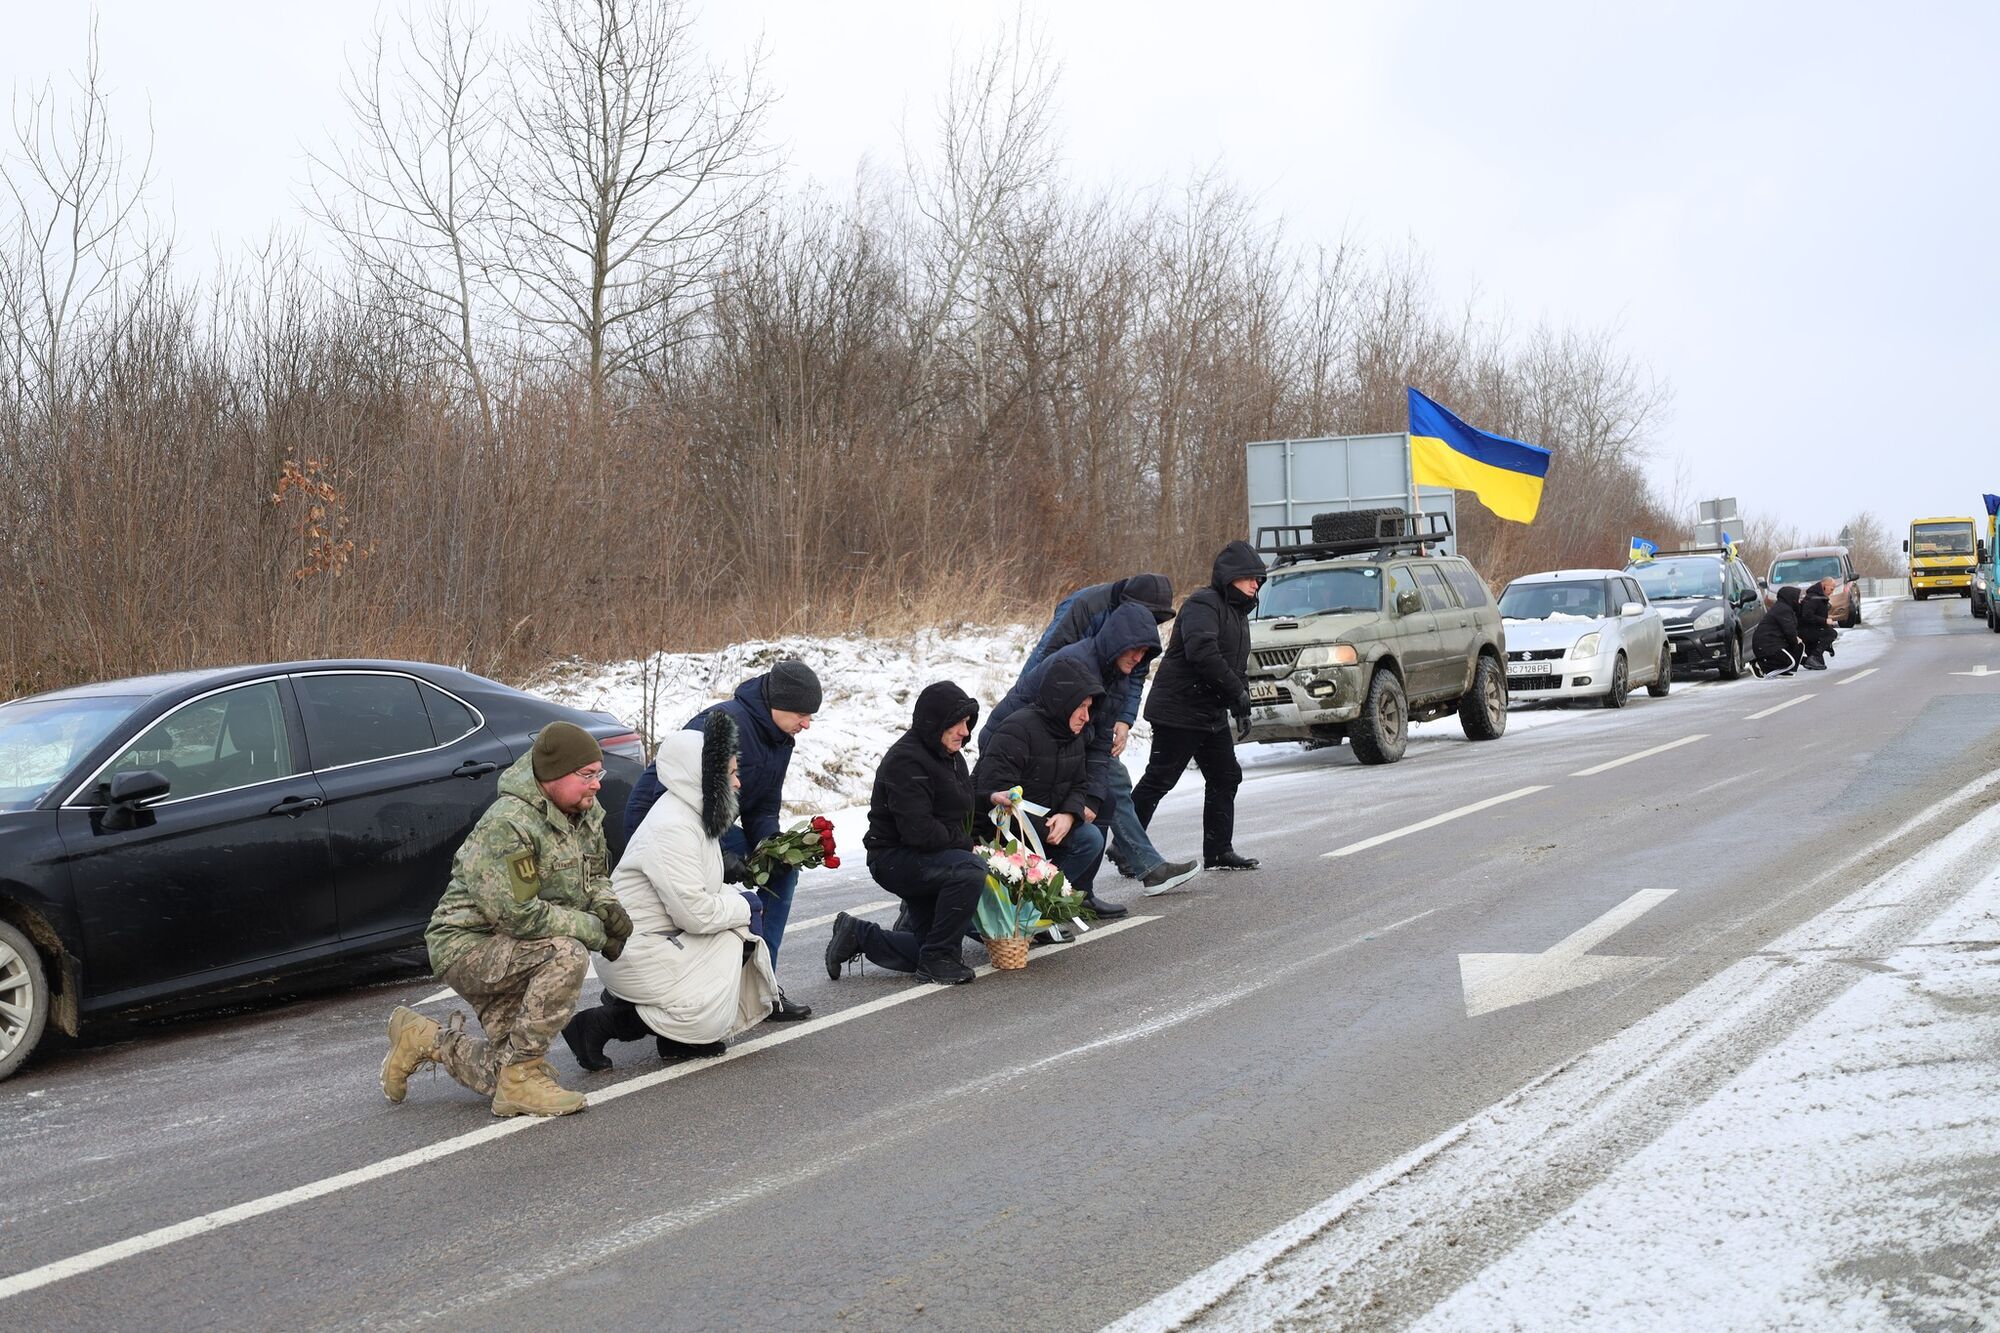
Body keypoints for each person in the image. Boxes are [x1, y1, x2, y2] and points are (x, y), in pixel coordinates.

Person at [381, 721, 633, 1118]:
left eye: (597, 773)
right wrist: (594, 930)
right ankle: (522, 1080)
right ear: (553, 775)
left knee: (503, 1067)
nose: (597, 784)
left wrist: (606, 905)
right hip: (468, 946)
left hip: (513, 949)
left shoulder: (584, 814)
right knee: (567, 954)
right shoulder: (508, 824)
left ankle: (424, 1039)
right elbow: (520, 916)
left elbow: (596, 873)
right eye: (586, 775)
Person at [564, 712, 779, 1070]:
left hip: (657, 941)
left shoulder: (692, 815)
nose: (738, 783)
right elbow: (694, 914)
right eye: (730, 774)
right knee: (736, 941)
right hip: (636, 950)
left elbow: (700, 893)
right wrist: (745, 906)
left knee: (735, 935)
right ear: (703, 778)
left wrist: (736, 900)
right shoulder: (673, 827)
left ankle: (665, 1030)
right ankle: (604, 1023)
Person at [625, 658, 821, 1022]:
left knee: (781, 873)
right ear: (777, 702)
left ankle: (764, 986)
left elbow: (762, 805)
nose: (807, 724)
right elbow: (673, 797)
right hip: (665, 824)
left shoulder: (782, 738)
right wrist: (718, 856)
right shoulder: (721, 725)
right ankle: (652, 997)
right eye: (802, 713)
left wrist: (771, 845)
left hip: (712, 825)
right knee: (688, 911)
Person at [1007, 574, 1198, 899]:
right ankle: (1139, 869)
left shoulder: (1137, 637)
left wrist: (1123, 720)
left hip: (1094, 711)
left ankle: (1086, 890)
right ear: (1126, 607)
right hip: (1054, 714)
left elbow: (1134, 676)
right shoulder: (1085, 608)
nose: (1146, 629)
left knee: (1106, 789)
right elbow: (1046, 663)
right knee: (1106, 784)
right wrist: (1036, 721)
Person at [981, 601, 1177, 914]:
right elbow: (1031, 725)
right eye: (1135, 650)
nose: (1139, 658)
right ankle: (1026, 902)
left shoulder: (1117, 675)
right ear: (1118, 641)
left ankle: (1075, 893)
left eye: (1145, 652)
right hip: (1014, 743)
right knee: (1024, 824)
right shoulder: (1078, 663)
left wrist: (1087, 802)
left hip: (1059, 744)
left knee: (1101, 804)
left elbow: (1098, 744)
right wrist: (1071, 804)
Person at [825, 682, 985, 986]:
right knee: (970, 870)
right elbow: (918, 831)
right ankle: (938, 960)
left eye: (968, 723)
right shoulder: (907, 761)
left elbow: (960, 809)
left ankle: (857, 934)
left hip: (929, 856)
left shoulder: (950, 757)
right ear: (935, 721)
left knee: (922, 950)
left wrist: (991, 802)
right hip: (895, 859)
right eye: (958, 722)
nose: (966, 731)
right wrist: (966, 846)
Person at [1131, 541, 1266, 871]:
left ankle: (1219, 850)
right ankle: (1127, 849)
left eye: (1259, 579)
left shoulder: (1238, 613)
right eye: (1249, 577)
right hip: (1179, 709)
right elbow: (1203, 653)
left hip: (1209, 713)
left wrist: (1241, 706)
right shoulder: (1203, 604)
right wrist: (1237, 693)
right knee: (1160, 779)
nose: (1255, 584)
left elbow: (1235, 665)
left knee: (1226, 776)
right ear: (1229, 576)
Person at [972, 657, 1108, 911]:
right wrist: (1042, 831)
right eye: (1080, 706)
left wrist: (1069, 815)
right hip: (1003, 836)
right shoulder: (1016, 731)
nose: (1086, 717)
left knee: (1090, 838)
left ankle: (1040, 908)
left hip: (1046, 829)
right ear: (1061, 700)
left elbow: (1079, 784)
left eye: (1089, 707)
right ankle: (1014, 911)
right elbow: (996, 799)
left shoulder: (1072, 735)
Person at [1751, 585, 1806, 677]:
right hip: (1767, 644)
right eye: (1798, 598)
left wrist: (1795, 641)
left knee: (1799, 646)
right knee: (1789, 661)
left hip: (1776, 641)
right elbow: (1789, 630)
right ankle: (1760, 665)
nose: (1800, 601)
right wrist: (1794, 641)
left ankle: (1784, 670)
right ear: (1791, 598)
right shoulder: (1783, 609)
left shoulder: (1787, 608)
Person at [1796, 578, 1838, 670]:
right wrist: (1824, 621)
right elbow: (1807, 616)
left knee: (1820, 664)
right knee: (1831, 633)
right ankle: (1814, 655)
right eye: (1831, 589)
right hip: (1805, 631)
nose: (1832, 592)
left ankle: (1808, 660)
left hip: (1811, 630)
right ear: (1824, 586)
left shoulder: (1819, 597)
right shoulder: (1813, 598)